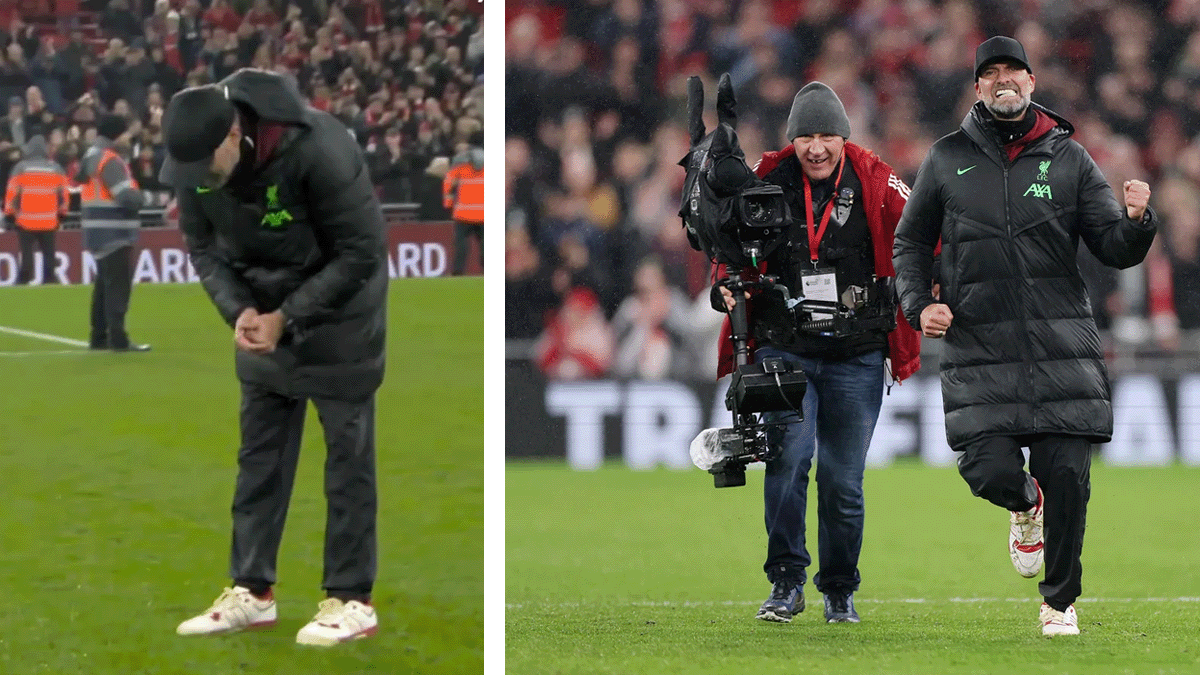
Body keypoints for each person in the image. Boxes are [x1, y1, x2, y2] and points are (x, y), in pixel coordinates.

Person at [892, 36, 1157, 637]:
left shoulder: (1070, 159)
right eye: (991, 74)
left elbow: (1113, 248)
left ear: (1032, 83)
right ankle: (1022, 504)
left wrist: (1138, 223)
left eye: (1013, 71)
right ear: (977, 88)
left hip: (1060, 348)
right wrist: (918, 303)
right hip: (980, 349)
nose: (1003, 80)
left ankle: (1059, 603)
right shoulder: (944, 158)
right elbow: (909, 243)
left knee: (1070, 479)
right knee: (985, 469)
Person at [160, 68, 388, 647]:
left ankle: (351, 598)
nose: (196, 183)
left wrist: (288, 315)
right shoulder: (197, 165)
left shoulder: (320, 149)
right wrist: (238, 311)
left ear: (233, 136)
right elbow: (202, 247)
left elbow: (362, 249)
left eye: (204, 169)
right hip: (262, 321)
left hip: (341, 322)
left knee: (347, 464)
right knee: (258, 460)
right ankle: (252, 592)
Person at [713, 81, 923, 624]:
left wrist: (932, 292)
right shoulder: (764, 176)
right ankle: (785, 583)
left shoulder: (877, 179)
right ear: (792, 139)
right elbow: (727, 245)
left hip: (856, 351)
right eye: (805, 135)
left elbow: (925, 234)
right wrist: (723, 286)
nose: (816, 147)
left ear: (844, 137)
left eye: (827, 134)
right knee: (786, 463)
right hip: (785, 348)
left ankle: (838, 589)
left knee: (841, 480)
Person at [77, 114, 150, 351]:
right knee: (118, 287)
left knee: (103, 287)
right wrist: (144, 197)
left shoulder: (91, 155)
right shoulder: (110, 160)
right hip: (114, 231)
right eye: (126, 133)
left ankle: (98, 337)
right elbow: (126, 196)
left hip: (97, 230)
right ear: (117, 134)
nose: (129, 138)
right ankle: (118, 339)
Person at [3, 136, 69, 284]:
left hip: (26, 221)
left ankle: (24, 279)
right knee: (49, 254)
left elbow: (12, 193)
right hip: (49, 221)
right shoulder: (55, 168)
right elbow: (63, 195)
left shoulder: (21, 168)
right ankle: (50, 279)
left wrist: (9, 214)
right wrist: (62, 214)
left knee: (27, 255)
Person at [442, 131, 484, 275]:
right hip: (484, 213)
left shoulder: (460, 160)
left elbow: (448, 183)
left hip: (463, 212)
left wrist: (448, 204)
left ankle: (458, 273)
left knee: (461, 246)